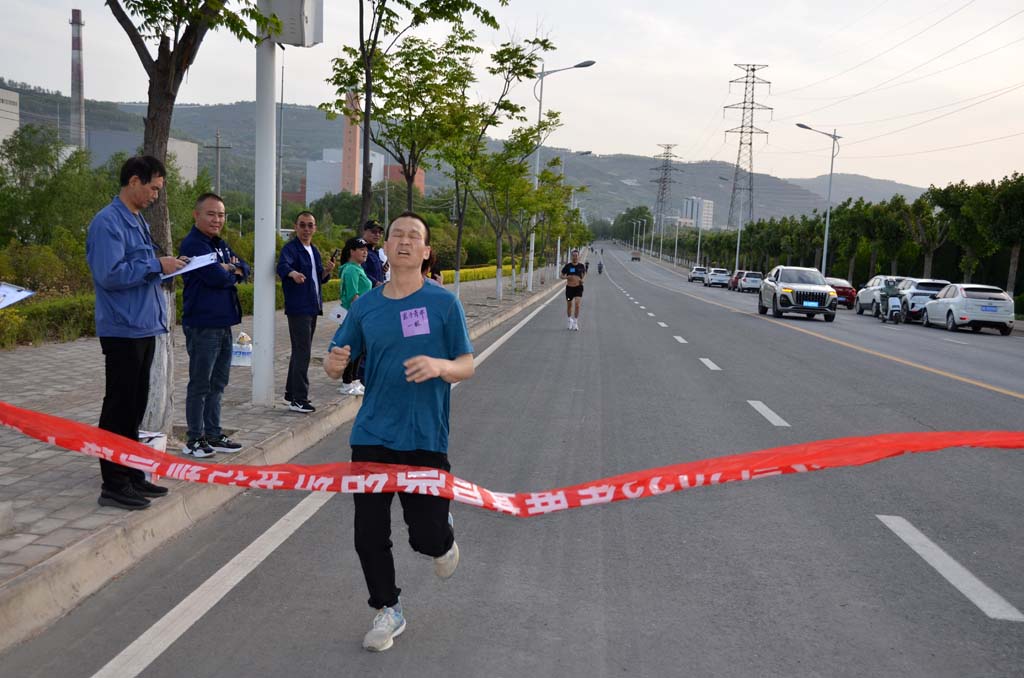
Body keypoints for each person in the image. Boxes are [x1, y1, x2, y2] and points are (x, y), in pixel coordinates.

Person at [323, 211, 474, 653]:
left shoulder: (444, 304)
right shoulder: (366, 306)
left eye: (413, 237)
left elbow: (466, 364)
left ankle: (442, 534)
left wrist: (440, 366)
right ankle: (388, 608)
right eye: (397, 235)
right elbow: (336, 358)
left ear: (426, 251)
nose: (404, 241)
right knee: (368, 534)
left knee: (425, 538)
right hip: (372, 434)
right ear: (385, 247)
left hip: (424, 436)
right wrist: (334, 363)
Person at [86, 155, 185, 510]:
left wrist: (165, 267)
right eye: (153, 188)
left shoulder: (137, 219)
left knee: (135, 406)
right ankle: (113, 483)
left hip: (143, 325)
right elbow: (109, 274)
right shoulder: (107, 222)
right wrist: (156, 264)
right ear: (133, 182)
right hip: (123, 328)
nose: (156, 196)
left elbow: (140, 268)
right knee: (119, 406)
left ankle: (130, 473)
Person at [179, 193, 249, 457]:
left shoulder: (219, 244)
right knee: (201, 383)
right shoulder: (193, 245)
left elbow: (245, 268)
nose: (217, 219)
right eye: (211, 214)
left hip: (223, 322)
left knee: (218, 382)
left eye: (221, 215)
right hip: (203, 324)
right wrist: (230, 270)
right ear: (196, 215)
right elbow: (216, 278)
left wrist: (231, 268)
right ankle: (194, 439)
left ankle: (213, 434)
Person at [277, 211, 336, 413]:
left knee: (300, 351)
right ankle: (299, 398)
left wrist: (326, 271)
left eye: (310, 225)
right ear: (295, 227)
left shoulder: (314, 250)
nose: (306, 229)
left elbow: (318, 277)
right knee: (303, 352)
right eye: (302, 225)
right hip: (299, 307)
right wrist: (293, 273)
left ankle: (291, 393)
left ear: (315, 228)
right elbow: (282, 266)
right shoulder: (291, 249)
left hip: (312, 306)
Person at [336, 236, 372, 395]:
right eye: (361, 249)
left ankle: (355, 380)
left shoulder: (358, 268)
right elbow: (353, 295)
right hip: (355, 315)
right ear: (352, 251)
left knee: (360, 349)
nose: (365, 252)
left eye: (366, 250)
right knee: (352, 349)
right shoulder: (351, 269)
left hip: (361, 314)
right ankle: (347, 382)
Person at [561, 249, 586, 331]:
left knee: (577, 304)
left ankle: (575, 322)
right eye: (573, 255)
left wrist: (582, 280)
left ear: (578, 256)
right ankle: (569, 321)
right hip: (569, 289)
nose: (575, 257)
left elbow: (584, 274)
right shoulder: (568, 266)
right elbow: (561, 275)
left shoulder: (581, 266)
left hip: (578, 288)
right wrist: (566, 277)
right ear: (571, 256)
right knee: (569, 305)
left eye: (576, 255)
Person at [361, 219, 387, 287]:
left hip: (377, 291)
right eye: (374, 232)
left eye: (380, 232)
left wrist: (382, 271)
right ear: (364, 232)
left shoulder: (375, 251)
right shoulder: (360, 250)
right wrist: (375, 283)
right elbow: (360, 272)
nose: (377, 235)